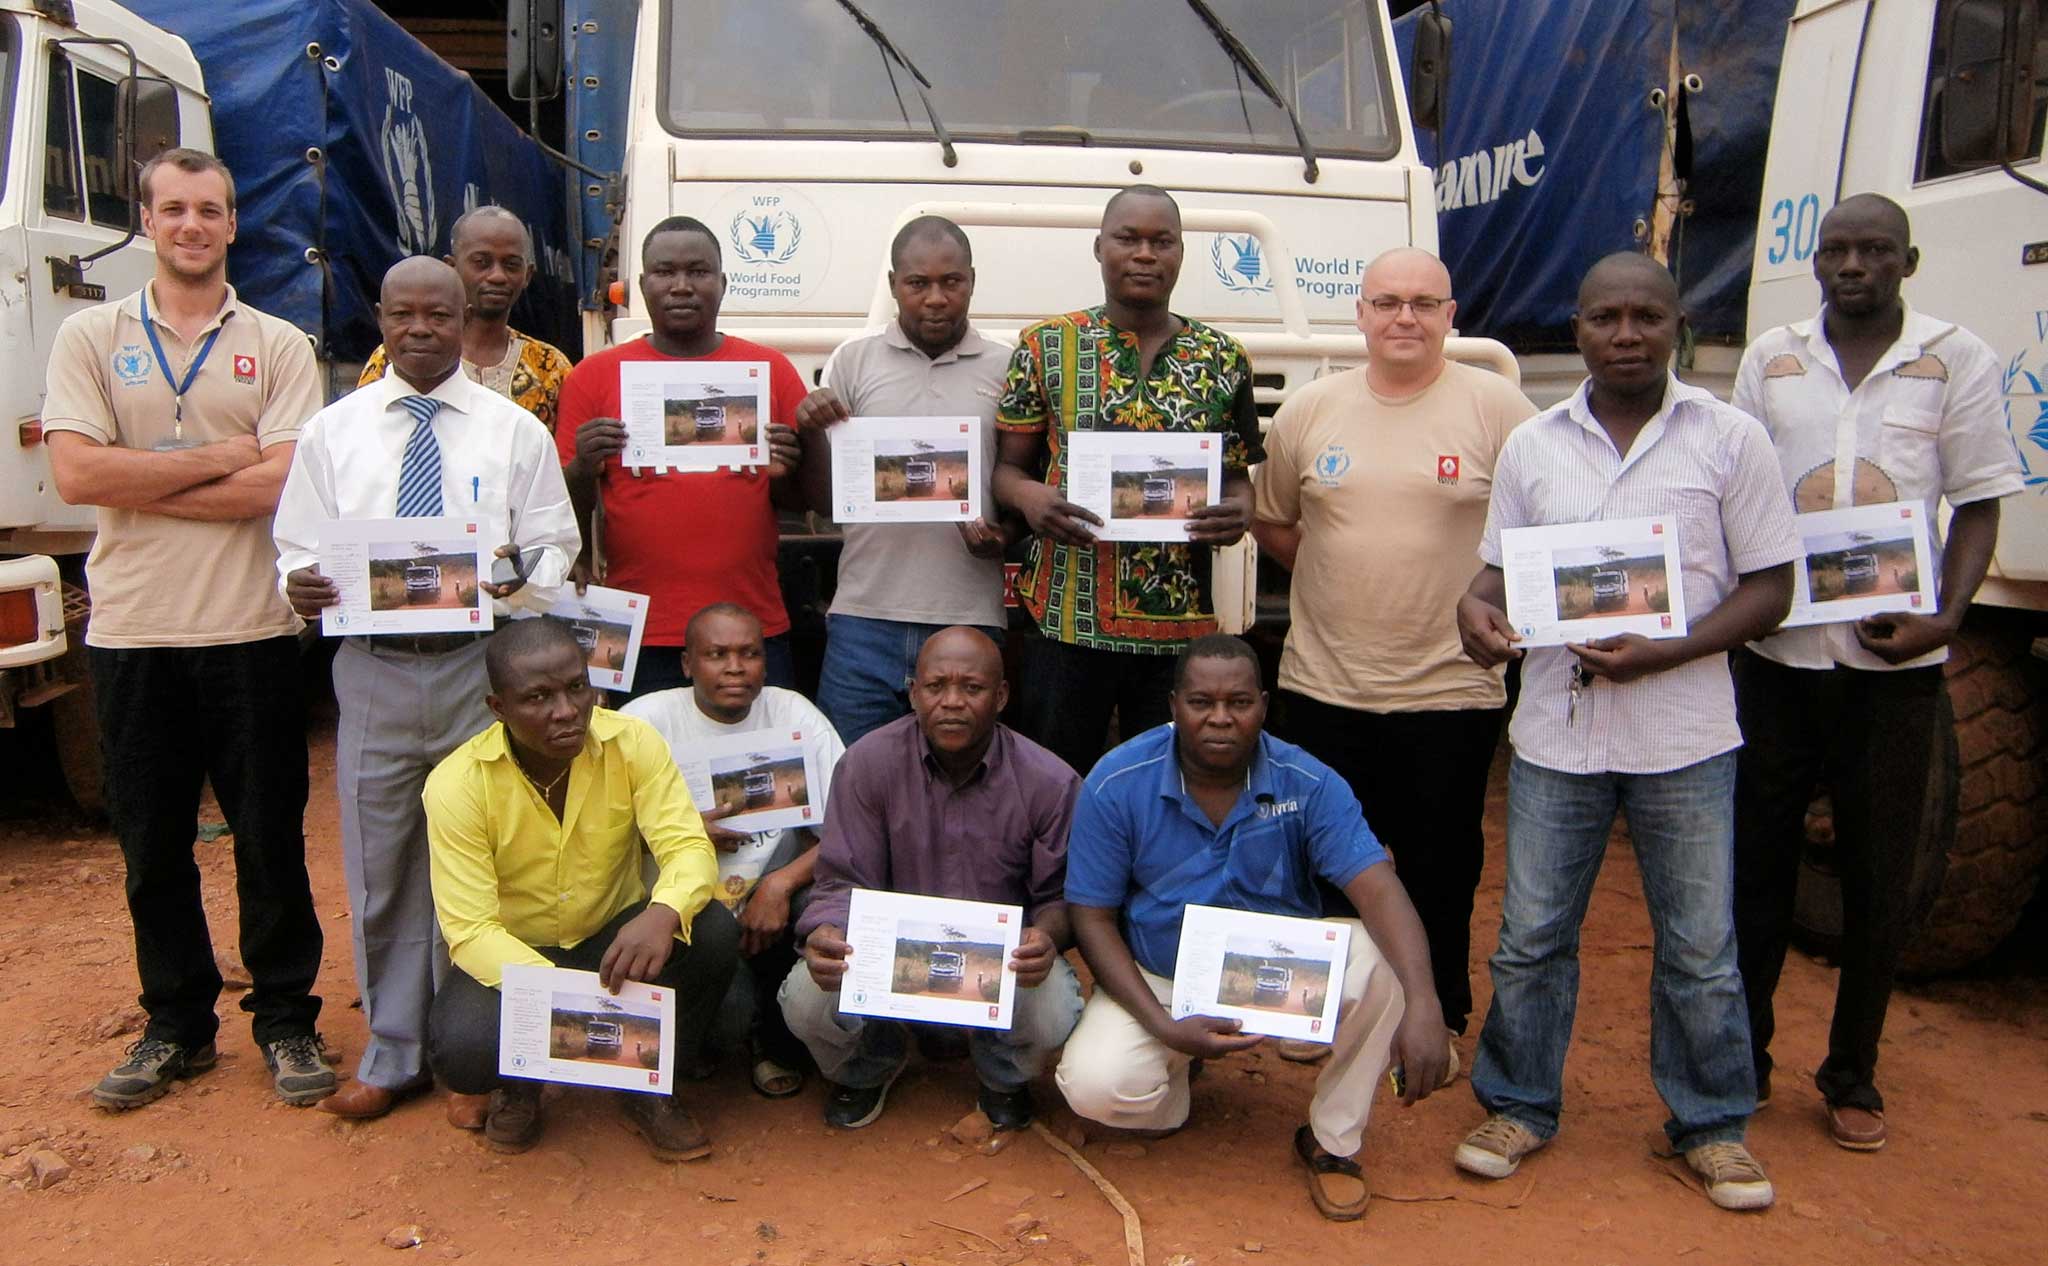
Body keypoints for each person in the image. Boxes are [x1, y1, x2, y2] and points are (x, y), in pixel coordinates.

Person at [1451, 253, 1799, 1211]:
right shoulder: (1533, 447)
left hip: (1684, 735)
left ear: (1678, 323)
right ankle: (1518, 1103)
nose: (1628, 334)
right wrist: (1473, 617)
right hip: (1558, 737)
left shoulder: (1730, 440)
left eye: (1648, 316)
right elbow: (1496, 576)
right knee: (1530, 936)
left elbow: (1773, 587)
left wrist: (1668, 649)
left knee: (1699, 946)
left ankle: (1713, 1125)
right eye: (1607, 317)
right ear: (1579, 327)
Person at [1730, 194, 2023, 1153]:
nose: (1852, 265)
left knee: (1878, 875)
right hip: (1776, 657)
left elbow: (1978, 503)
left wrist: (1946, 615)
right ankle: (1747, 1058)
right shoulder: (1772, 358)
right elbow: (1733, 494)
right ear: (1817, 263)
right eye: (1837, 250)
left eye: (1874, 250)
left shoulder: (1955, 358)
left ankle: (1853, 1073)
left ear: (1909, 260)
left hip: (1894, 665)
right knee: (1758, 869)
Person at [43, 148, 333, 1110]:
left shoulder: (280, 345)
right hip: (132, 635)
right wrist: (217, 460)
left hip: (250, 632)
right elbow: (78, 477)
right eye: (173, 210)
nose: (192, 226)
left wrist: (144, 473)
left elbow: (288, 481)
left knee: (269, 838)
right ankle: (176, 1025)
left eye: (210, 209)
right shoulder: (90, 336)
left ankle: (289, 1020)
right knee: (152, 845)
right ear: (149, 221)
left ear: (234, 223)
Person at [273, 256, 580, 1122]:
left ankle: (467, 1055)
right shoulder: (331, 432)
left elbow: (558, 554)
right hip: (369, 666)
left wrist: (508, 573)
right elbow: (294, 547)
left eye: (436, 317)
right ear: (380, 316)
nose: (419, 330)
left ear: (462, 320)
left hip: (477, 668)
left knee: (480, 861)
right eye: (402, 315)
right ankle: (394, 1047)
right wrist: (298, 583)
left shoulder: (513, 430)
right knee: (382, 866)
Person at [1252, 247, 1536, 1061]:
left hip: (1450, 691)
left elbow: (1541, 529)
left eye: (1423, 303)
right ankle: (1323, 1011)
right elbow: (1273, 518)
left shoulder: (1498, 409)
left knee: (1442, 867)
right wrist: (1341, 575)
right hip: (1323, 686)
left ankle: (1435, 1013)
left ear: (1452, 315)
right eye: (1386, 302)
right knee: (1321, 859)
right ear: (1361, 314)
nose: (1404, 317)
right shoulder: (1311, 409)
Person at [1054, 635, 1448, 1223]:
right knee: (1096, 1088)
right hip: (1161, 975)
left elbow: (1378, 888)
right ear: (1172, 704)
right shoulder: (1118, 780)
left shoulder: (1307, 782)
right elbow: (1092, 916)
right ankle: (1176, 1079)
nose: (1220, 717)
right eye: (1201, 701)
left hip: (1280, 973)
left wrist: (1426, 1001)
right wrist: (1165, 1027)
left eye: (1238, 702)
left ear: (1264, 705)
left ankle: (1332, 1141)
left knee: (1383, 960)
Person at [420, 618, 737, 1156]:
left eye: (576, 687)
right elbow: (471, 931)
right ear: (499, 709)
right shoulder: (456, 786)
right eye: (538, 697)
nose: (565, 710)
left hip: (611, 940)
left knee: (712, 932)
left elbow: (687, 847)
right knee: (463, 1047)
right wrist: (565, 1000)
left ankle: (644, 1084)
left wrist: (662, 911)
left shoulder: (633, 743)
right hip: (517, 955)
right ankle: (518, 1087)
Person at [992, 186, 1262, 775]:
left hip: (1179, 630)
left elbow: (1238, 479)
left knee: (1167, 793)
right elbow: (1006, 470)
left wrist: (1240, 513)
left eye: (1161, 242)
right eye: (1128, 239)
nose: (1145, 254)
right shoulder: (1044, 347)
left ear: (1181, 254)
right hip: (1066, 621)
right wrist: (1031, 496)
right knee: (1056, 788)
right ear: (1099, 248)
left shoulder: (1223, 358)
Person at [780, 628, 1083, 1131]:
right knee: (807, 1000)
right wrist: (826, 931)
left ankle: (1002, 1075)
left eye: (972, 687)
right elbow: (841, 879)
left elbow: (1060, 896)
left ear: (1002, 696)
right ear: (914, 692)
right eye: (937, 686)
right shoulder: (867, 764)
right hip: (888, 958)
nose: (952, 702)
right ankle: (870, 1063)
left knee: (1051, 1008)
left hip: (998, 962)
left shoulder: (1049, 781)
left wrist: (1045, 938)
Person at [555, 217, 807, 696]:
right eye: (665, 272)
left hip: (749, 629)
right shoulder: (593, 376)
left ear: (724, 283)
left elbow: (804, 502)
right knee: (640, 767)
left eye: (699, 271)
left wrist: (792, 465)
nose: (682, 286)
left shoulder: (770, 370)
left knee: (749, 761)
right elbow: (567, 502)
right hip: (639, 628)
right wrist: (583, 466)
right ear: (639, 285)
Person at [795, 216, 1015, 745]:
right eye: (918, 283)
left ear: (972, 281)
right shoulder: (853, 360)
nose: (935, 297)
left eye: (951, 282)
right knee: (852, 780)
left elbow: (1017, 481)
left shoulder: (1008, 366)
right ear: (894, 284)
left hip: (969, 618)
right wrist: (808, 433)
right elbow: (826, 501)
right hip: (864, 618)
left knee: (963, 787)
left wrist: (1006, 536)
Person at [620, 603, 846, 1097]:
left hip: (772, 900)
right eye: (717, 654)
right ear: (686, 664)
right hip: (682, 911)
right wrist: (681, 830)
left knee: (828, 902)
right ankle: (726, 1029)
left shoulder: (794, 715)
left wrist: (780, 884)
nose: (735, 667)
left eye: (749, 653)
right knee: (724, 1025)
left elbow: (847, 831)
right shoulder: (643, 723)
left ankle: (778, 1037)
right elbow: (592, 834)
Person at [358, 206, 574, 434]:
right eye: (481, 262)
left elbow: (556, 464)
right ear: (452, 266)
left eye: (511, 265)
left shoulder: (550, 366)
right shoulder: (394, 358)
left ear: (527, 275)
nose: (497, 276)